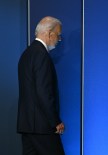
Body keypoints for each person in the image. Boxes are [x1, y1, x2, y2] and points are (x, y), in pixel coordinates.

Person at [17, 16, 65, 155]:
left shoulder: (26, 54)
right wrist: (55, 121)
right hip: (42, 126)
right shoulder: (41, 55)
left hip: (27, 125)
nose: (59, 39)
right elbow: (43, 92)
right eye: (58, 35)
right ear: (50, 34)